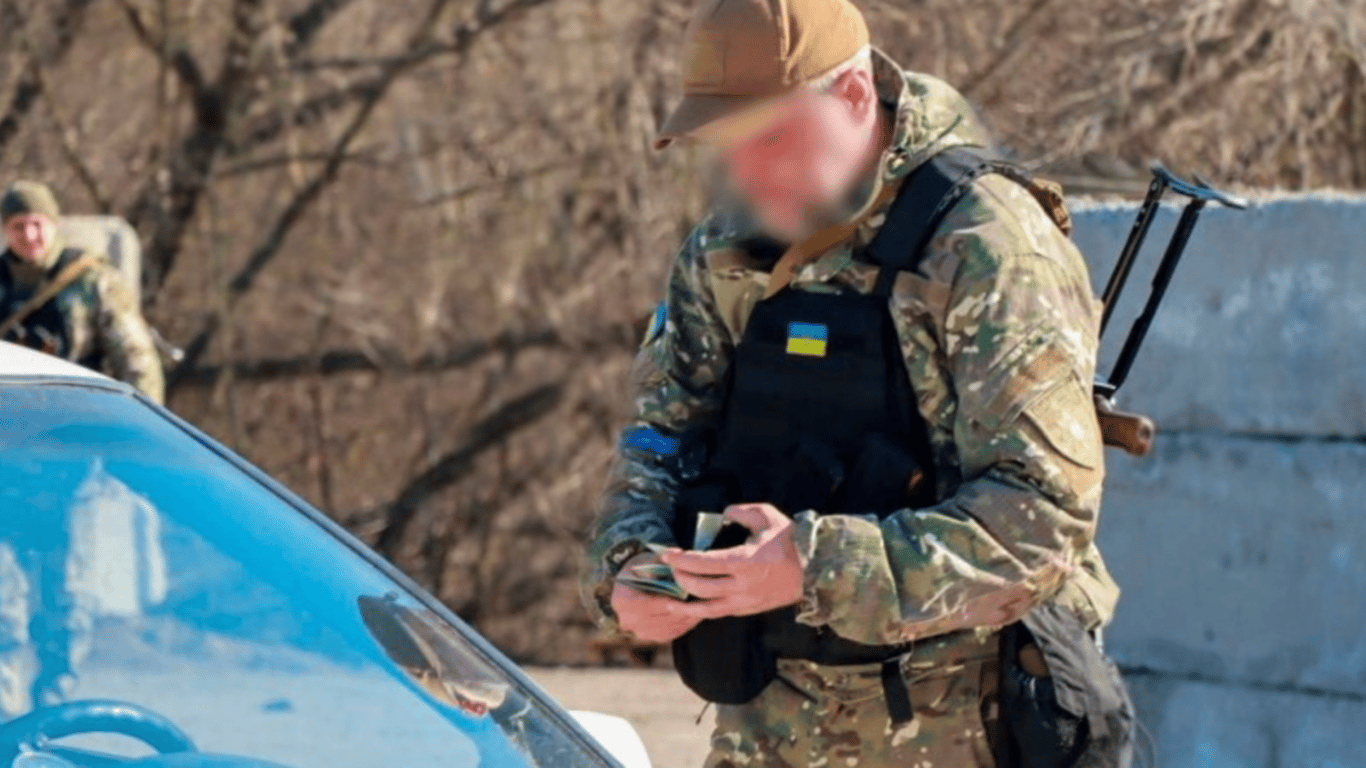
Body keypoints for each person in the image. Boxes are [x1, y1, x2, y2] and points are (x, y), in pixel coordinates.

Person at [582, 0, 1132, 765]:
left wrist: (814, 566)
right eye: (725, 147)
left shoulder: (988, 247)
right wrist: (630, 563)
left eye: (769, 137)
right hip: (767, 729)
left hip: (961, 732)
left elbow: (1043, 523)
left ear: (851, 94)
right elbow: (660, 438)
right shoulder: (725, 249)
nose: (744, 173)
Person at [0, 180, 164, 403]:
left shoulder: (91, 279)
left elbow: (136, 361)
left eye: (37, 224)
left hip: (81, 407)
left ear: (53, 224)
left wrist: (140, 417)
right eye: (18, 226)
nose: (29, 235)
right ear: (6, 230)